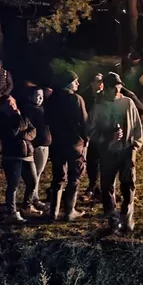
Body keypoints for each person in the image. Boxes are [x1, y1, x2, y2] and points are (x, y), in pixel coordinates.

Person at [88, 72, 143, 233]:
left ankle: (127, 216)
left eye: (119, 86)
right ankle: (112, 218)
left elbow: (136, 127)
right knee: (107, 187)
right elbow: (90, 130)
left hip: (126, 151)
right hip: (107, 152)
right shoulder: (99, 106)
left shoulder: (128, 103)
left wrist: (135, 145)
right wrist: (106, 137)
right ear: (106, 88)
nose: (117, 90)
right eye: (114, 87)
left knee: (128, 185)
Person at [44, 70, 88, 221]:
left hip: (56, 143)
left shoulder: (52, 99)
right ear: (68, 83)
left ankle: (53, 212)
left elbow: (47, 120)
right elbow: (84, 122)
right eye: (76, 81)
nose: (78, 84)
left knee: (58, 177)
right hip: (74, 144)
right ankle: (69, 211)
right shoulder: (76, 99)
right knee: (74, 177)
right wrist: (86, 139)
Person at [0, 94, 39, 222]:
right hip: (12, 156)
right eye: (9, 105)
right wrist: (17, 117)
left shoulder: (21, 115)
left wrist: (23, 135)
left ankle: (27, 206)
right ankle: (12, 212)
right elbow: (12, 133)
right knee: (13, 185)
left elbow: (33, 131)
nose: (12, 106)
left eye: (13, 103)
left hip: (27, 154)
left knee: (32, 181)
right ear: (2, 107)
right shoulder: (2, 119)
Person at [23, 87, 51, 211]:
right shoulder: (32, 110)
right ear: (30, 96)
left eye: (41, 96)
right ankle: (34, 199)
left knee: (37, 174)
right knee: (36, 175)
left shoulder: (41, 108)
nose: (40, 98)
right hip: (38, 146)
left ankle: (33, 198)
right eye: (37, 95)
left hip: (43, 145)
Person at [83, 74, 105, 198]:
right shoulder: (85, 96)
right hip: (91, 132)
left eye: (102, 81)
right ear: (92, 83)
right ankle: (92, 186)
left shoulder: (106, 96)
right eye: (97, 81)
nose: (101, 83)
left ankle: (101, 188)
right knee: (92, 161)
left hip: (103, 132)